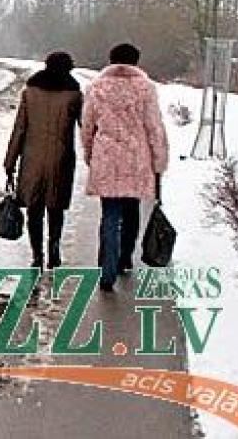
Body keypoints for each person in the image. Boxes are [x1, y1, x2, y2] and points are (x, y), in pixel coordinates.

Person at [81, 43, 169, 292]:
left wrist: (89, 153)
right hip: (136, 157)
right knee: (131, 210)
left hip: (107, 157)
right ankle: (124, 259)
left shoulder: (97, 87)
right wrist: (158, 161)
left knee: (109, 215)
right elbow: (154, 127)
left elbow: (87, 125)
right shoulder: (146, 88)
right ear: (136, 62)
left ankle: (106, 271)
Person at [4, 51, 83, 270]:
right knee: (56, 207)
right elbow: (85, 128)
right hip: (61, 160)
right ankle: (54, 249)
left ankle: (37, 254)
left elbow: (20, 129)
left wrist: (10, 161)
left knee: (34, 209)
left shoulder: (30, 92)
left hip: (32, 160)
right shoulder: (74, 94)